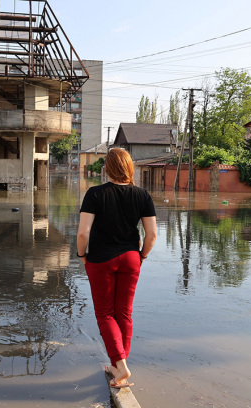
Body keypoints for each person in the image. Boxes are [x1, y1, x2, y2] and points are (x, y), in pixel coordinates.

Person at [76, 148, 158, 389]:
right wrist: (141, 256)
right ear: (130, 167)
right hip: (131, 258)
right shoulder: (142, 195)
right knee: (124, 313)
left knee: (104, 314)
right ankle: (120, 364)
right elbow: (152, 235)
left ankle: (119, 365)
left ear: (107, 168)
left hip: (101, 259)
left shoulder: (95, 194)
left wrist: (81, 255)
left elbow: (83, 232)